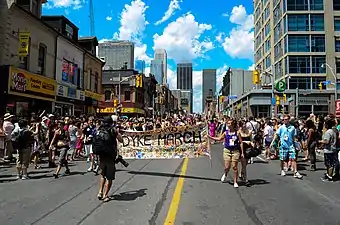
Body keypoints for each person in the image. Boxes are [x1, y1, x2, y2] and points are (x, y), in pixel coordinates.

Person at [95, 116, 123, 202]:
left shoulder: (99, 130)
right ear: (111, 123)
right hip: (110, 156)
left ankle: (100, 192)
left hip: (101, 156)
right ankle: (105, 195)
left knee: (103, 174)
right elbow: (121, 140)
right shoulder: (113, 130)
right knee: (109, 177)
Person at [207, 119, 242, 188]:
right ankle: (225, 174)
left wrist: (242, 152)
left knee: (234, 167)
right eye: (227, 123)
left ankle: (235, 181)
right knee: (227, 167)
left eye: (229, 123)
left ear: (232, 125)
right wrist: (210, 137)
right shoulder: (226, 133)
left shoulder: (237, 133)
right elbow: (219, 139)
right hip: (227, 151)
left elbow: (241, 143)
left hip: (235, 151)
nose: (228, 125)